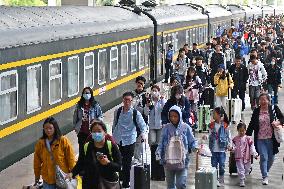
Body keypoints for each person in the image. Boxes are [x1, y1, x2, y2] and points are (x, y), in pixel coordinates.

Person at [69, 120, 122, 189]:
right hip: (90, 183)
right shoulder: (87, 146)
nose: (96, 134)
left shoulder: (111, 146)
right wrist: (72, 173)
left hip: (107, 183)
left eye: (99, 131)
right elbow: (80, 163)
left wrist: (108, 162)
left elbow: (119, 167)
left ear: (105, 132)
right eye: (94, 131)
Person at [156, 105, 198, 189]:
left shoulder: (186, 127)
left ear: (180, 116)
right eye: (171, 116)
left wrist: (195, 147)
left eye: (175, 116)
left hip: (182, 161)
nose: (173, 118)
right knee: (170, 185)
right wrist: (158, 153)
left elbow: (192, 140)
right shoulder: (166, 128)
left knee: (181, 183)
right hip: (168, 161)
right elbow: (161, 143)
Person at [246, 93, 284, 185]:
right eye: (261, 100)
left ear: (268, 100)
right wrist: (246, 135)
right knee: (263, 157)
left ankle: (265, 169)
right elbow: (251, 123)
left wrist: (278, 122)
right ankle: (265, 176)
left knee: (271, 158)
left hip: (272, 138)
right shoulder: (256, 111)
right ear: (259, 101)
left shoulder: (274, 108)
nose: (263, 101)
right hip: (260, 138)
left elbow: (282, 118)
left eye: (264, 99)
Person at [112, 91, 147, 188]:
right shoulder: (117, 111)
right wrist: (112, 137)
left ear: (132, 101)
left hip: (130, 141)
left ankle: (126, 182)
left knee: (127, 163)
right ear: (123, 100)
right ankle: (121, 178)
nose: (127, 102)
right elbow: (114, 124)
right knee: (119, 161)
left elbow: (143, 126)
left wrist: (143, 134)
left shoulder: (135, 113)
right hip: (118, 140)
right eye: (125, 100)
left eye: (129, 100)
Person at [34, 117, 76, 189]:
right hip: (48, 178)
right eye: (46, 128)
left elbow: (71, 158)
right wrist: (37, 177)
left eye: (50, 128)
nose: (48, 130)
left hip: (62, 176)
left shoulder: (63, 141)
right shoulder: (40, 143)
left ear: (55, 128)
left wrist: (73, 173)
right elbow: (36, 162)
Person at [73, 87, 103, 155]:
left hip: (92, 132)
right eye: (85, 93)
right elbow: (75, 117)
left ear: (91, 94)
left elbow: (100, 116)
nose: (86, 94)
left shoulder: (95, 105)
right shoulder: (79, 105)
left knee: (92, 150)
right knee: (82, 151)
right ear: (82, 94)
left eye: (88, 93)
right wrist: (76, 127)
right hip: (81, 132)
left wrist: (95, 121)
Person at [207, 107, 231, 187]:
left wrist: (229, 144)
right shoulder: (211, 125)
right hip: (213, 149)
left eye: (214, 113)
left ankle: (221, 179)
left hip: (221, 150)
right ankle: (215, 179)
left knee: (222, 165)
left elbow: (228, 136)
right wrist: (206, 137)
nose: (212, 115)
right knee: (213, 166)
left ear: (219, 115)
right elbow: (209, 135)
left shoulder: (225, 125)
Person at [231, 122, 258, 187]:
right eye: (240, 131)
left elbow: (252, 147)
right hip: (238, 156)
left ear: (245, 130)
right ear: (237, 130)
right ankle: (242, 180)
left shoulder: (248, 139)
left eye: (243, 131)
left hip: (247, 156)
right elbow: (233, 146)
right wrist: (232, 149)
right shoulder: (235, 139)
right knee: (240, 169)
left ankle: (243, 175)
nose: (242, 132)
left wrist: (254, 154)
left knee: (247, 169)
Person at [133, 76, 148, 163]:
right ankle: (135, 158)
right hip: (132, 121)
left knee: (140, 141)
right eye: (138, 83)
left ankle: (138, 158)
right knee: (133, 141)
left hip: (142, 122)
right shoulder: (132, 94)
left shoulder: (146, 95)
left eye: (141, 84)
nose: (140, 85)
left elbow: (147, 112)